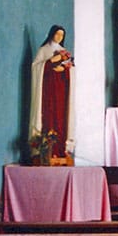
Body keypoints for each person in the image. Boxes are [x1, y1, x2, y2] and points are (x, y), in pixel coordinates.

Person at [30, 25, 75, 159]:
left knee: (61, 118)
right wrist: (50, 62)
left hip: (61, 91)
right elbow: (35, 67)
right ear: (51, 34)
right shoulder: (43, 50)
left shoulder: (64, 52)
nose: (59, 37)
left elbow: (71, 69)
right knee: (49, 117)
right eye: (57, 34)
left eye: (62, 35)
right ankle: (44, 152)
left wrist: (66, 70)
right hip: (47, 91)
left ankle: (60, 150)